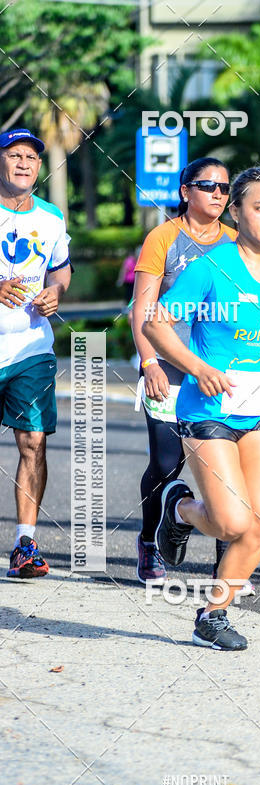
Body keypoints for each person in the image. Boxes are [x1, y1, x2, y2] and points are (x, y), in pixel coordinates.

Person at [143, 166, 260, 650]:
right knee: (230, 522)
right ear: (237, 211)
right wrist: (195, 365)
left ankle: (213, 613)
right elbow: (156, 323)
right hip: (207, 408)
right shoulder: (211, 267)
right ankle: (178, 509)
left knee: (259, 522)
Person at [130, 157, 237, 584]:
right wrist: (150, 361)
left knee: (225, 469)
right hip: (170, 371)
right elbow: (143, 309)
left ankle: (224, 562)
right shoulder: (164, 237)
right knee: (167, 464)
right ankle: (149, 542)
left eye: (224, 188)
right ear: (184, 192)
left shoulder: (236, 242)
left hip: (223, 373)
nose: (217, 194)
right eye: (207, 185)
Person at [0, 128, 71, 578]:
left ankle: (25, 544)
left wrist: (55, 293)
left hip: (30, 347)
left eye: (32, 157)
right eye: (14, 155)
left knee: (34, 441)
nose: (24, 163)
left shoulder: (51, 218)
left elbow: (61, 273)